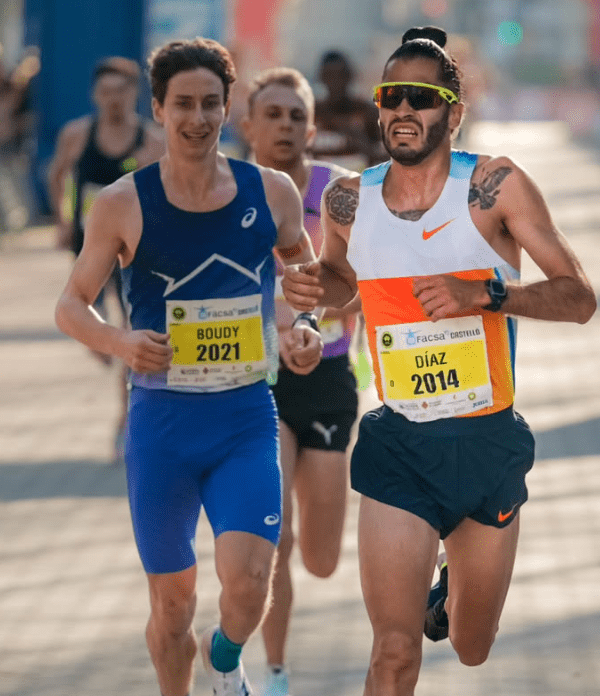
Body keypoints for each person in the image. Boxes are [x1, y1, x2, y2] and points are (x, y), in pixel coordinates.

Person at [282, 26, 596, 696]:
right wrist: (317, 292)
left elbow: (579, 297)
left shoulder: (494, 188)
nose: (402, 110)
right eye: (390, 95)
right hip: (399, 444)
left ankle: (450, 582)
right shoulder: (349, 200)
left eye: (420, 97)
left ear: (455, 110)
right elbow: (341, 279)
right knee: (394, 653)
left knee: (472, 645)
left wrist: (485, 293)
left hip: (487, 442)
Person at [54, 38, 323, 696]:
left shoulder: (275, 193)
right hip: (162, 426)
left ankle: (224, 658)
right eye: (182, 105)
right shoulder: (122, 203)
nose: (197, 119)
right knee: (171, 608)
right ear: (158, 108)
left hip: (244, 419)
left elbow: (306, 285)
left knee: (251, 586)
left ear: (229, 109)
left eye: (210, 104)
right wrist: (122, 343)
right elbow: (69, 305)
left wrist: (306, 330)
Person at [241, 66, 361, 696]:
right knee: (274, 537)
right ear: (248, 125)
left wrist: (317, 323)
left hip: (329, 376)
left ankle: (319, 518)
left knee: (320, 556)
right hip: (255, 383)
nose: (285, 125)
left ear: (311, 127)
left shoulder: (340, 194)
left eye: (296, 115)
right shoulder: (225, 192)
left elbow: (366, 289)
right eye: (274, 113)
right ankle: (277, 673)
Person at [47, 56, 165, 462]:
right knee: (91, 329)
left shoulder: (151, 141)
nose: (113, 99)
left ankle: (124, 420)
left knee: (131, 331)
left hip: (133, 250)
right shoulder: (78, 135)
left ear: (135, 94)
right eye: (106, 91)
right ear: (95, 95)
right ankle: (111, 350)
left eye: (122, 90)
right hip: (89, 247)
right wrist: (62, 220)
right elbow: (57, 174)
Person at [312, 50, 385, 172]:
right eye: (329, 76)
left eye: (341, 75)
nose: (335, 82)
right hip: (318, 183)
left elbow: (385, 157)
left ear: (350, 77)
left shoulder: (367, 112)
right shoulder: (313, 113)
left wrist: (359, 141)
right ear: (321, 78)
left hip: (359, 182)